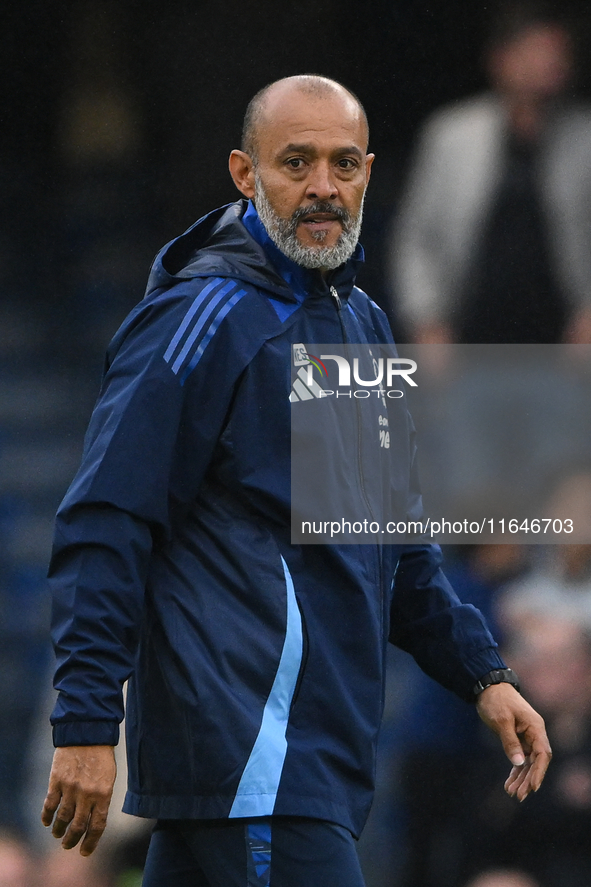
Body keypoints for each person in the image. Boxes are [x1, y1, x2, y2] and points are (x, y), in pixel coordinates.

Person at [41, 75, 551, 886]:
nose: (322, 187)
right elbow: (110, 516)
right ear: (246, 174)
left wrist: (483, 674)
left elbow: (396, 544)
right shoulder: (202, 315)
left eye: (343, 164)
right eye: (296, 162)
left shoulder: (362, 326)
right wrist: (85, 721)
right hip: (255, 757)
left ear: (369, 174)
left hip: (303, 767)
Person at [389, 1, 591, 345]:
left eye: (558, 52)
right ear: (502, 59)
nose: (550, 62)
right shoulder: (452, 135)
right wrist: (426, 320)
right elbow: (417, 238)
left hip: (563, 345)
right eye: (536, 50)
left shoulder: (584, 139)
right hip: (468, 339)